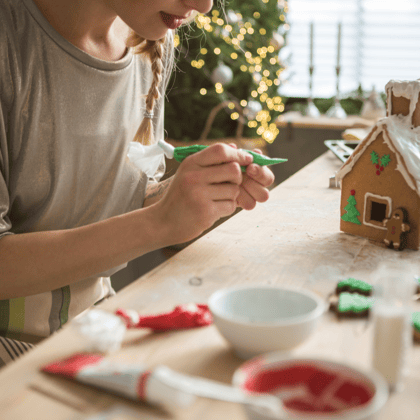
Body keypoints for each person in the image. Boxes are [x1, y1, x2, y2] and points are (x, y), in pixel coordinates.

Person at [0, 0, 275, 366]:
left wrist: (194, 198)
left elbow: (122, 193)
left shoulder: (148, 36)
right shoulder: (10, 42)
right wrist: (159, 223)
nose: (204, 5)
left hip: (95, 330)